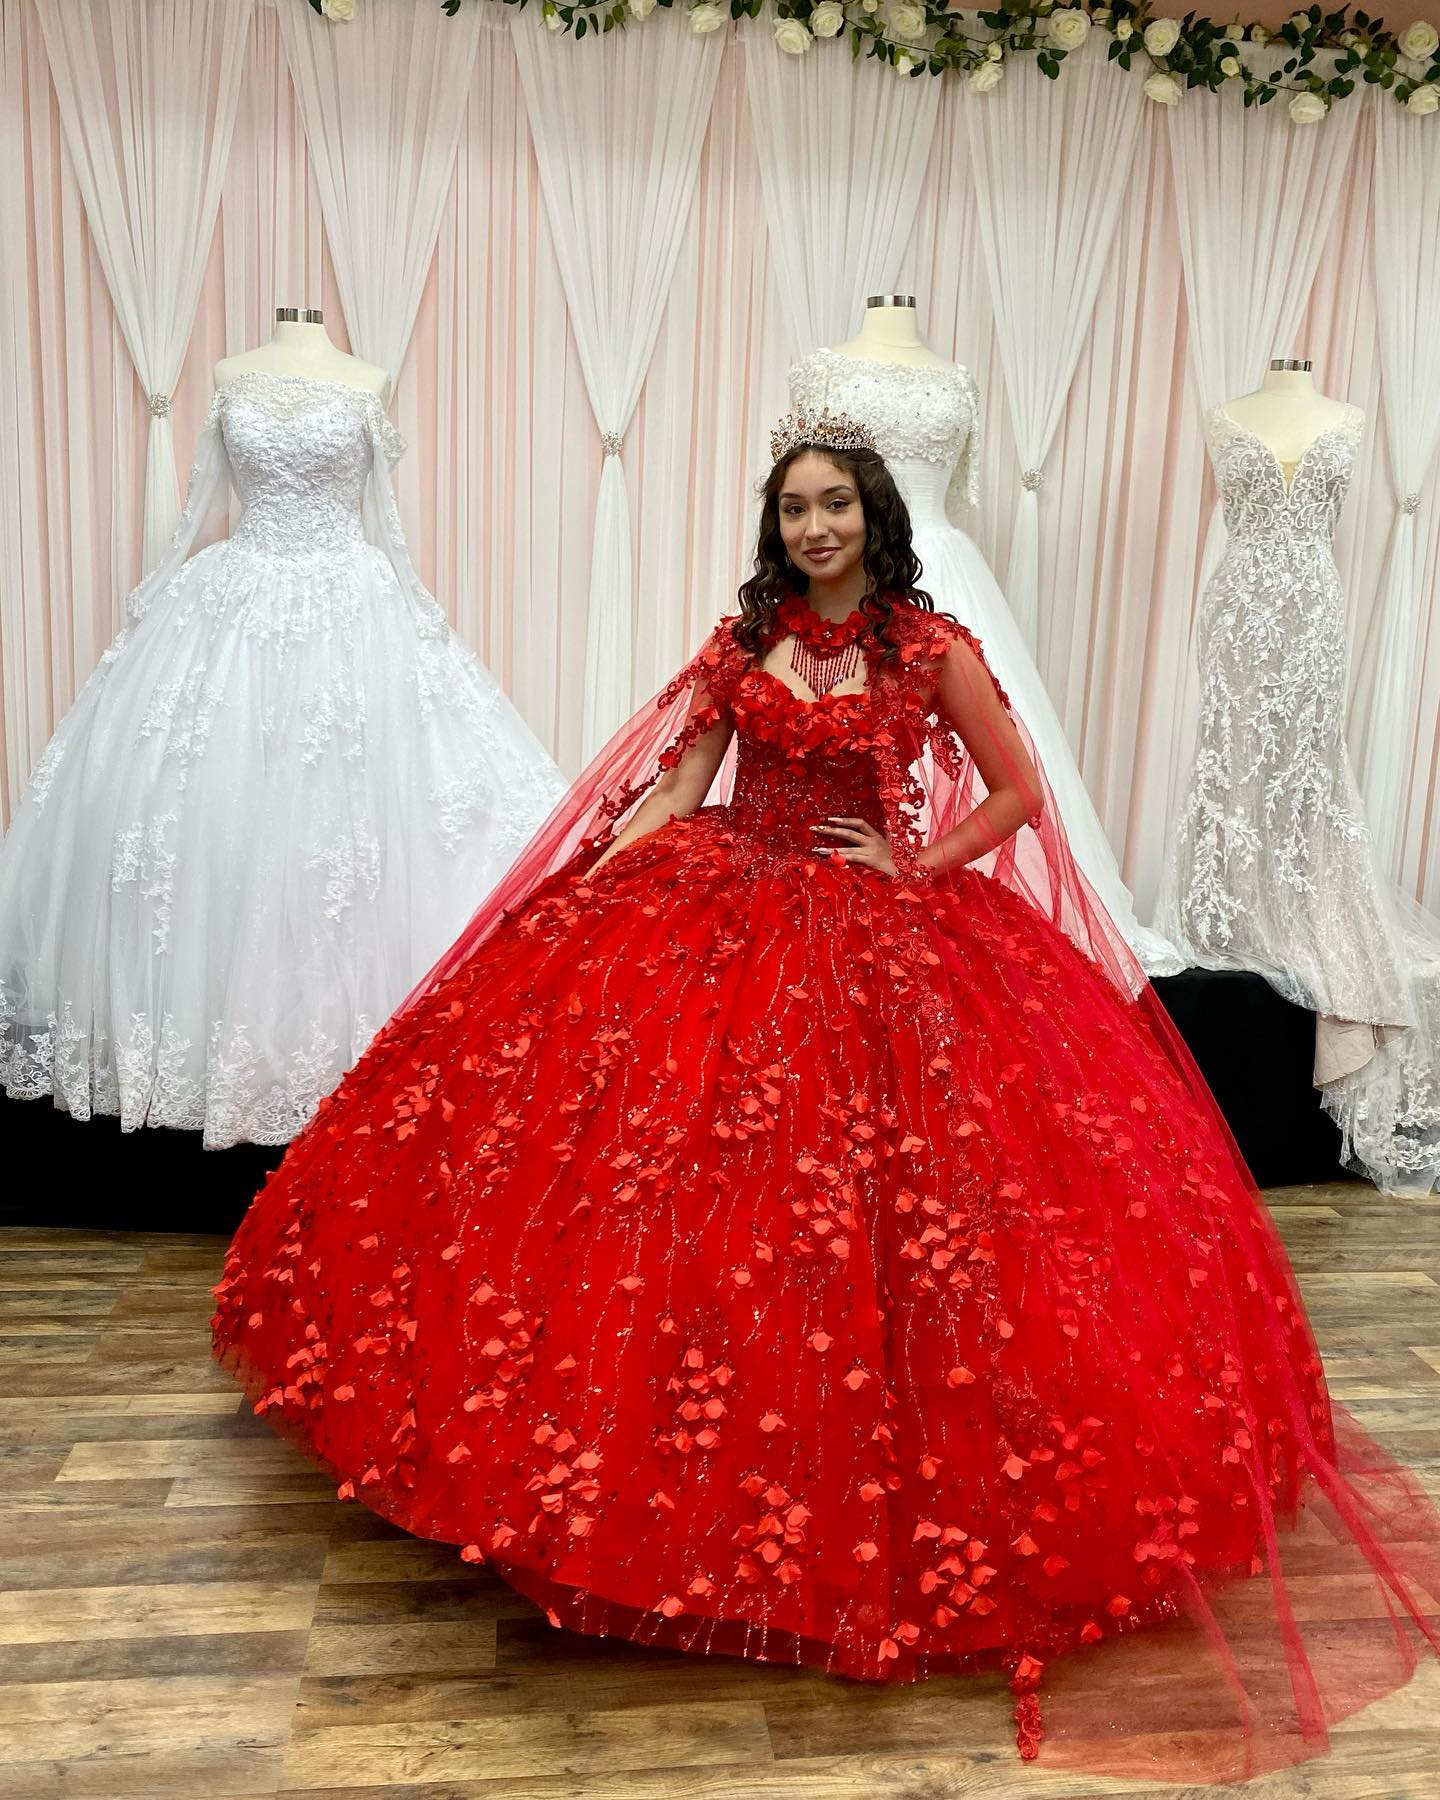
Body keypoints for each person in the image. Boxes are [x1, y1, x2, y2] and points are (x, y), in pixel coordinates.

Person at [212, 412, 1438, 1779]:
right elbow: (680, 786)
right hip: (727, 905)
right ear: (775, 526)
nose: (814, 528)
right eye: (794, 508)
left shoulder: (931, 648)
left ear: (874, 518)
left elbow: (1020, 794)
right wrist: (593, 885)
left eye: (835, 505)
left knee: (917, 1223)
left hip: (882, 934)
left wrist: (916, 867)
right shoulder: (743, 644)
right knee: (667, 1199)